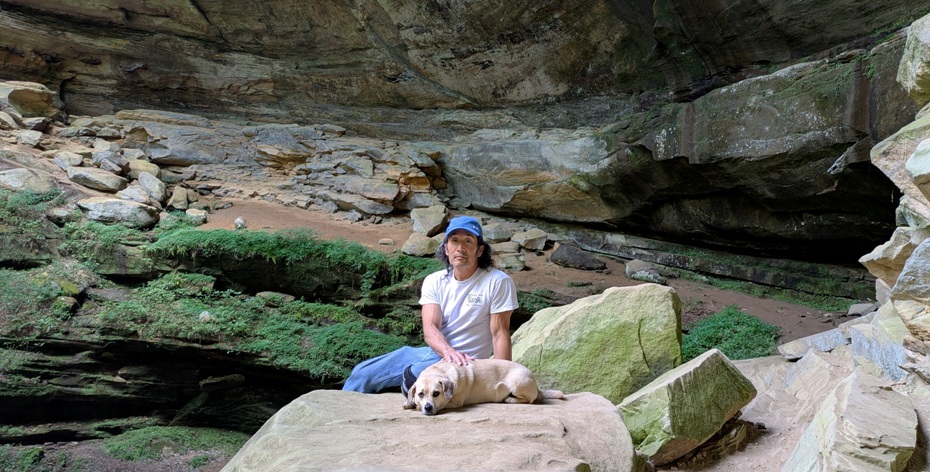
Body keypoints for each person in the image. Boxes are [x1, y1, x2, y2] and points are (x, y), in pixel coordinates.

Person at [342, 215, 519, 394]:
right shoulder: (434, 281)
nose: (460, 248)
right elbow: (430, 327)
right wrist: (448, 351)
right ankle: (340, 415)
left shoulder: (497, 282)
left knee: (413, 377)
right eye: (454, 241)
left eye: (468, 241)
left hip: (468, 364)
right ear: (446, 248)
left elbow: (500, 334)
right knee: (362, 373)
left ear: (479, 250)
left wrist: (504, 380)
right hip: (436, 352)